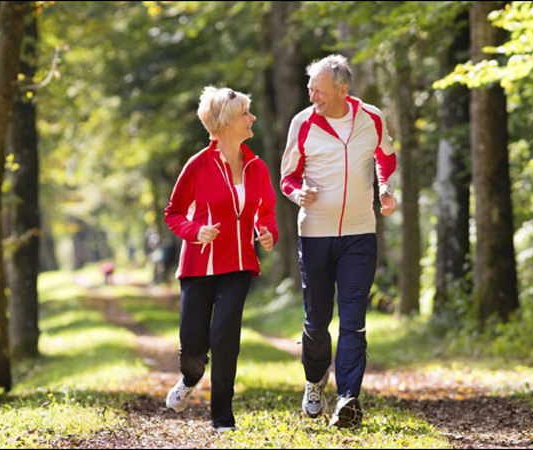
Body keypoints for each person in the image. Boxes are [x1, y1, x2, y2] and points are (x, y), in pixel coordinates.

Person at [280, 54, 398, 428]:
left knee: (354, 320)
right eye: (310, 88)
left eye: (319, 90)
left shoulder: (371, 117)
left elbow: (386, 156)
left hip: (360, 234)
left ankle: (348, 398)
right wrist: (299, 194)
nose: (312, 95)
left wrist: (387, 188)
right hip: (315, 234)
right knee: (317, 323)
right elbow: (287, 178)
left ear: (343, 90)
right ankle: (315, 381)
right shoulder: (302, 123)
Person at [164, 86, 278, 433]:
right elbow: (174, 213)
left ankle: (222, 418)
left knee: (225, 336)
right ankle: (189, 377)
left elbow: (266, 211)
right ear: (226, 122)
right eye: (246, 113)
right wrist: (195, 231)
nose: (252, 118)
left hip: (239, 263)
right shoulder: (197, 165)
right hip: (199, 266)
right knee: (194, 346)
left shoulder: (256, 166)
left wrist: (267, 231)